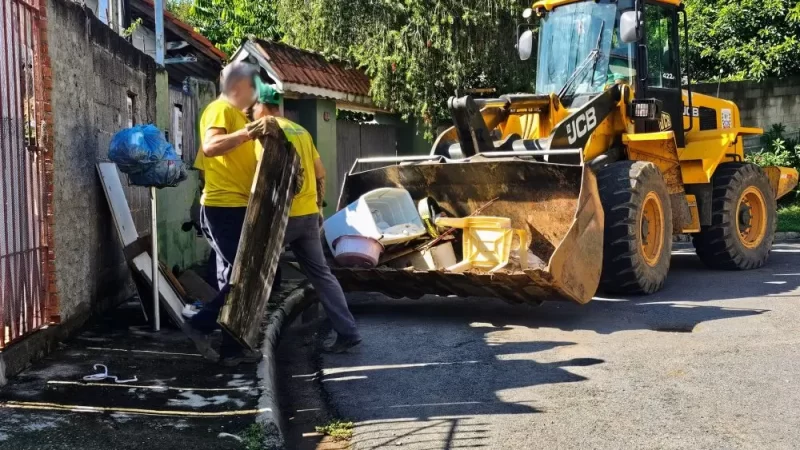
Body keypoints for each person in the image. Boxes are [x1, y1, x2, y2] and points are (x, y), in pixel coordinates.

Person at [250, 78, 361, 353]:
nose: (251, 114)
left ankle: (247, 336)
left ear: (262, 107)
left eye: (253, 108)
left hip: (282, 218)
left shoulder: (267, 134)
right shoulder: (301, 131)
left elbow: (265, 178)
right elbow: (320, 174)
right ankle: (348, 331)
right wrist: (319, 208)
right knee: (322, 275)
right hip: (309, 215)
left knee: (255, 271)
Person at [185, 61, 271, 367]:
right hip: (223, 208)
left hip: (232, 206)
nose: (256, 94)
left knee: (228, 281)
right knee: (241, 276)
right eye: (254, 87)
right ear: (239, 87)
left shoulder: (235, 115)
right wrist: (248, 134)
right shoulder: (221, 110)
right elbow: (209, 148)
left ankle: (233, 348)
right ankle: (200, 323)